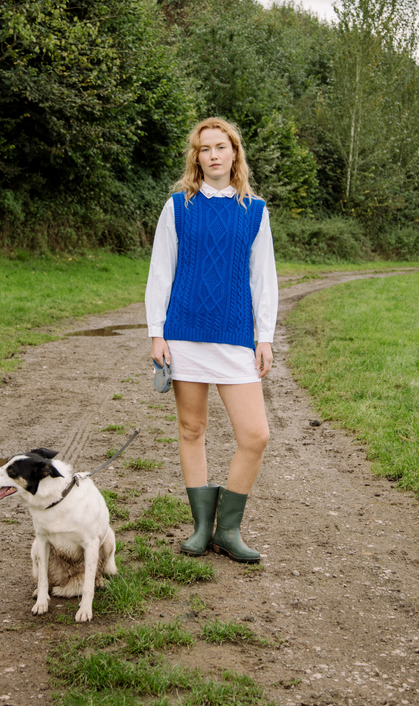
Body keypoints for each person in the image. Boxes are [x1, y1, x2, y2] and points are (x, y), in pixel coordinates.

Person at [145, 117, 278, 563]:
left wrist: (265, 337)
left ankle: (229, 529)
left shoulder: (255, 210)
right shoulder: (178, 206)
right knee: (192, 429)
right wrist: (156, 333)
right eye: (205, 149)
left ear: (235, 153)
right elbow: (160, 272)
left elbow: (264, 280)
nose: (214, 155)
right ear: (196, 156)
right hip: (184, 334)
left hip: (235, 338)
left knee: (255, 435)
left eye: (222, 147)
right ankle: (202, 528)